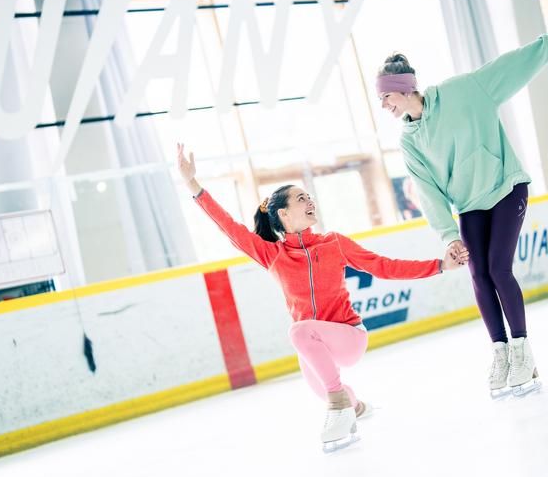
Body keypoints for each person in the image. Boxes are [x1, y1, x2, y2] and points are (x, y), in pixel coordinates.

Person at [176, 143, 466, 452]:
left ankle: (339, 405)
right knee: (322, 384)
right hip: (313, 345)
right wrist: (193, 184)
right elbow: (230, 228)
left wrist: (439, 266)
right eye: (301, 198)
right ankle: (355, 407)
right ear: (284, 213)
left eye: (310, 196)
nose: (310, 201)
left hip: (350, 337)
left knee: (302, 336)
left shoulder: (334, 244)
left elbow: (384, 266)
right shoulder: (272, 255)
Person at [376, 23, 548, 398]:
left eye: (386, 97)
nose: (385, 106)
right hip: (469, 205)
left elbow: (507, 68)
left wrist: (546, 42)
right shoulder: (409, 140)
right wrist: (449, 236)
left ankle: (522, 351)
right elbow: (428, 192)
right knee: (478, 273)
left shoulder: (463, 90)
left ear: (403, 88)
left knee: (499, 267)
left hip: (506, 186)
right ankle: (500, 352)